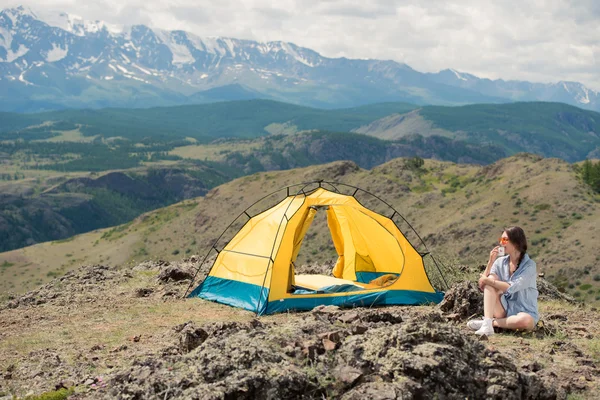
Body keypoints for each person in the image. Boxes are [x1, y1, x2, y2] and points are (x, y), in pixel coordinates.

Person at [467, 226, 539, 336]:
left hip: (525, 312)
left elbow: (513, 286)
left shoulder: (530, 266)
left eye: (504, 240)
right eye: (500, 240)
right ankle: (487, 325)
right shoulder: (499, 262)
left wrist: (489, 281)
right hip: (503, 309)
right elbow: (482, 284)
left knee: (525, 321)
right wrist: (490, 262)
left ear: (516, 243)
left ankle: (490, 322)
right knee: (490, 281)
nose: (501, 243)